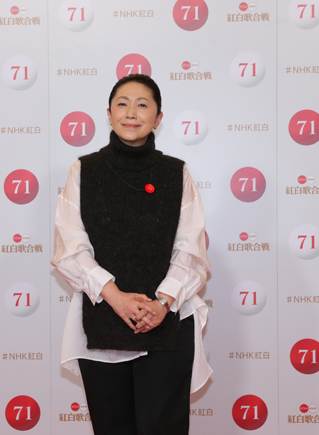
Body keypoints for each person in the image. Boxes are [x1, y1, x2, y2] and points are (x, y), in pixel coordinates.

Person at [52, 74, 211, 435]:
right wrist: (116, 298)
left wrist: (163, 302)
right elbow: (71, 247)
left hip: (167, 321)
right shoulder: (84, 170)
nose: (131, 113)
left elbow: (190, 247)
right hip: (102, 320)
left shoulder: (176, 172)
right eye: (122, 104)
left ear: (158, 118)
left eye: (142, 105)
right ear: (109, 114)